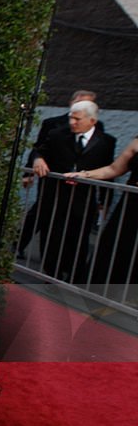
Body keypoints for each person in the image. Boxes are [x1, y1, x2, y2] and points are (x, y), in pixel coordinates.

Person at [32, 100, 115, 282]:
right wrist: (38, 160)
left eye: (77, 119)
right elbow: (39, 150)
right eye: (71, 118)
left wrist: (104, 201)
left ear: (92, 121)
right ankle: (51, 273)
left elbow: (110, 171)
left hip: (83, 199)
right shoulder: (57, 135)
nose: (72, 123)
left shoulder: (106, 142)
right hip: (56, 196)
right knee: (53, 235)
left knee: (79, 237)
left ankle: (74, 274)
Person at [19, 90, 101, 255]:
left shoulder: (98, 128)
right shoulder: (53, 124)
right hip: (53, 181)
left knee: (71, 227)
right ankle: (21, 244)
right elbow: (39, 149)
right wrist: (30, 171)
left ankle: (66, 265)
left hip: (78, 188)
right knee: (41, 214)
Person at [66, 137, 138, 294]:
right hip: (131, 206)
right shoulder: (136, 142)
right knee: (119, 246)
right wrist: (85, 175)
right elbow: (113, 169)